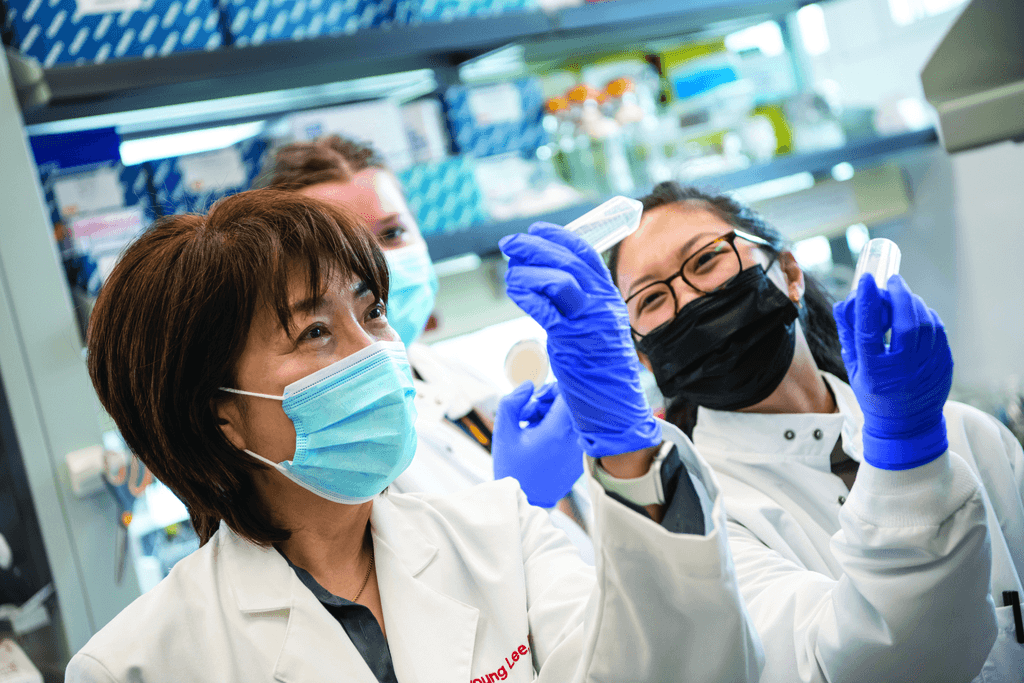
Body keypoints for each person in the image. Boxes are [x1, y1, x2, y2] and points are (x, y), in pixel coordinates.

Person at [66, 189, 763, 682]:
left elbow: (685, 669)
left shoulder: (500, 531)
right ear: (217, 413)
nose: (374, 349)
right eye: (314, 331)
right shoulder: (137, 664)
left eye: (371, 312)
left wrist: (628, 451)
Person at [499, 180, 1021, 682]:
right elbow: (871, 665)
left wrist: (915, 436)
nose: (690, 300)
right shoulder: (700, 524)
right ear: (642, 357)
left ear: (789, 273)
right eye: (652, 299)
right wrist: (907, 456)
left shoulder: (963, 433)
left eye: (705, 261)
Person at [260, 137, 592, 553]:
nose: (378, 263)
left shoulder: (451, 372)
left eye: (393, 233)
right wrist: (525, 503)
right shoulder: (337, 440)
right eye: (344, 249)